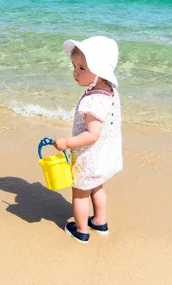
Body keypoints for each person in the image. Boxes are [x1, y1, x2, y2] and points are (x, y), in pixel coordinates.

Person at [52, 36, 123, 244]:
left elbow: (93, 134)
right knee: (97, 187)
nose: (75, 72)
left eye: (82, 68)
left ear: (99, 71)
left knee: (80, 193)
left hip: (89, 157)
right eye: (74, 66)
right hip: (103, 155)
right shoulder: (109, 91)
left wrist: (66, 142)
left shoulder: (92, 101)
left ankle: (81, 230)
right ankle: (100, 222)